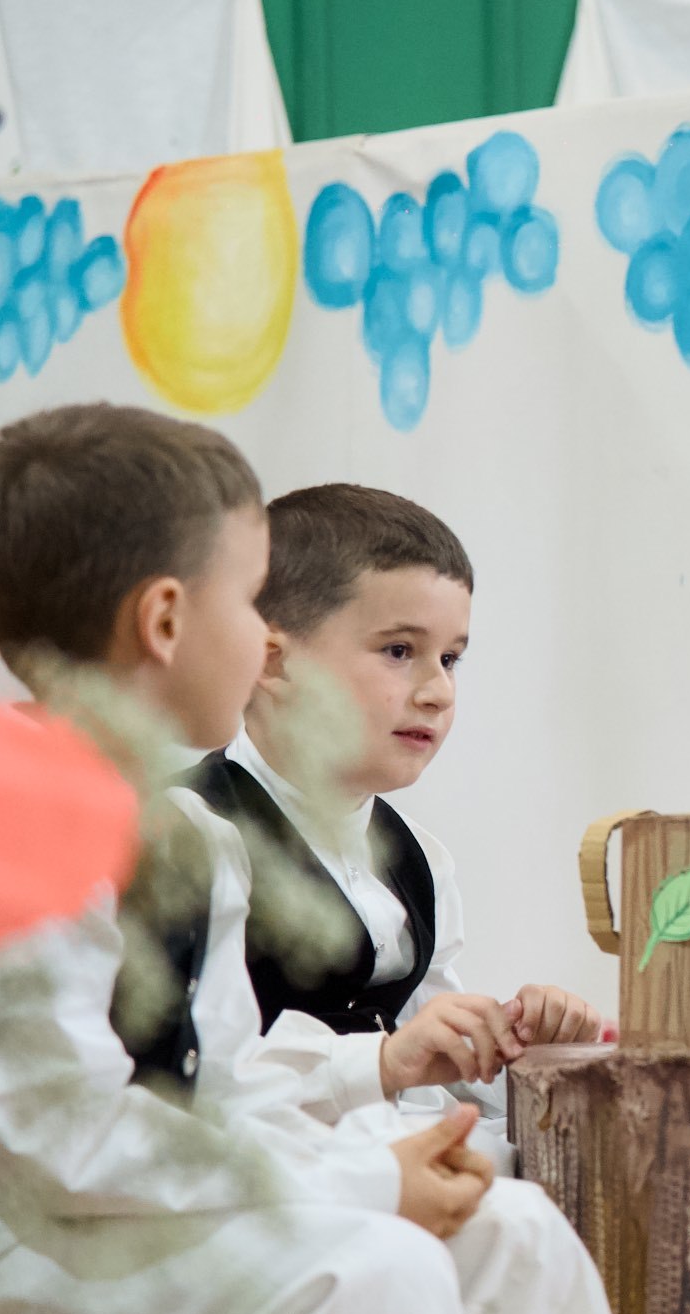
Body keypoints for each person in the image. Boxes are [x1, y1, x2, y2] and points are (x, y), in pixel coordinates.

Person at [0, 406, 666, 1314]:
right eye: (251, 600)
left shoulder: (189, 839)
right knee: (369, 1279)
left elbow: (222, 1083)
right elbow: (61, 1140)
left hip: (111, 1217)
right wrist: (363, 1192)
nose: (266, 640)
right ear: (164, 621)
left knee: (512, 1233)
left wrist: (373, 1136)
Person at [197, 484, 600, 1174]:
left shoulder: (420, 859)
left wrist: (520, 1042)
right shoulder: (194, 837)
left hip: (393, 1158)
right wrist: (384, 1063)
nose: (437, 691)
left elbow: (436, 1057)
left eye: (450, 659)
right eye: (398, 651)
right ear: (272, 661)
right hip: (265, 1178)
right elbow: (190, 1081)